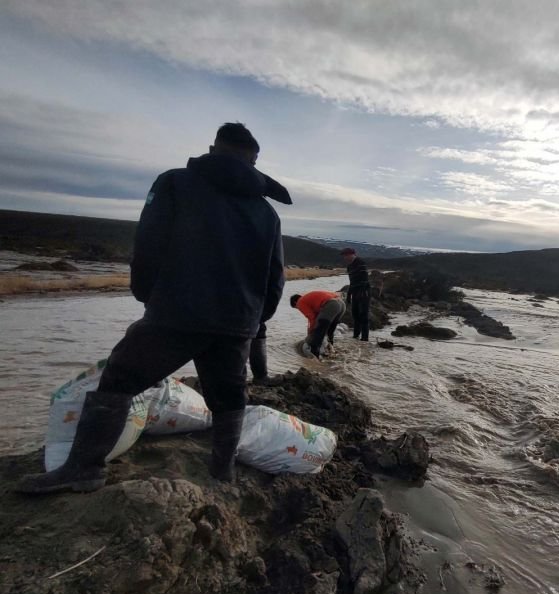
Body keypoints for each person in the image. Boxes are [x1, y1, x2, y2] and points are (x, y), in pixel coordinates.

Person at [18, 122, 290, 494]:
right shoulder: (267, 213)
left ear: (214, 149)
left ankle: (84, 469)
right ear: (253, 161)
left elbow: (148, 243)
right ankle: (222, 472)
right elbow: (275, 277)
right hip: (237, 322)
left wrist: (149, 296)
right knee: (229, 398)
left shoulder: (175, 183)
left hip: (177, 312)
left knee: (118, 379)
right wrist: (254, 319)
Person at [289, 290, 346, 358]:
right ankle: (331, 351)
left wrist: (311, 332)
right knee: (329, 331)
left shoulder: (300, 302)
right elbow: (315, 317)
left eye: (297, 308)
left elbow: (312, 318)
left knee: (318, 333)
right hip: (341, 304)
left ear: (295, 302)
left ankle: (315, 357)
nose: (299, 308)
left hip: (331, 305)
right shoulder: (309, 299)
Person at [340, 247, 370, 341]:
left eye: (346, 255)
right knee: (355, 314)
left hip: (364, 292)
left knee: (363, 315)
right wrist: (349, 295)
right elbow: (352, 282)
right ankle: (356, 335)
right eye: (344, 256)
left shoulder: (360, 262)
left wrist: (362, 291)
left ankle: (365, 338)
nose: (345, 257)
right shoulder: (349, 266)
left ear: (352, 254)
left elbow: (365, 279)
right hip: (355, 292)